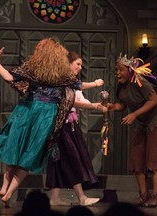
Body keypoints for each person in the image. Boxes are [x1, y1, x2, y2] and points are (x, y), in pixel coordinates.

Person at [0, 38, 81, 208]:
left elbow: (9, 77)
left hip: (27, 111)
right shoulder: (62, 73)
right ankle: (9, 192)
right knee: (30, 154)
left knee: (14, 147)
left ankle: (5, 188)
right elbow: (79, 85)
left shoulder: (33, 68)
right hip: (46, 115)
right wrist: (96, 83)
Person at [105, 54, 157, 207]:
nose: (117, 73)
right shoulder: (122, 85)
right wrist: (113, 107)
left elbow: (154, 100)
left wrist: (134, 114)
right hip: (142, 121)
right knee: (136, 157)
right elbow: (122, 104)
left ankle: (156, 196)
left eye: (120, 70)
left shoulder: (139, 81)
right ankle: (144, 196)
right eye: (116, 70)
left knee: (154, 158)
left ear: (129, 70)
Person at [46, 51, 104, 206]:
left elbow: (80, 99)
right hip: (61, 127)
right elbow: (70, 101)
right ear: (68, 63)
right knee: (72, 159)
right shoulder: (60, 80)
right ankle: (82, 198)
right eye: (77, 64)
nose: (79, 67)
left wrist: (96, 106)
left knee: (59, 160)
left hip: (69, 125)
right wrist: (95, 84)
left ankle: (55, 198)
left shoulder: (72, 82)